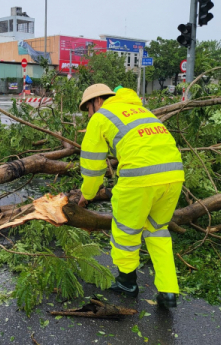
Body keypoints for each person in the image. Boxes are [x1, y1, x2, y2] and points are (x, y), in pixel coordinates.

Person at [77, 84, 184, 308]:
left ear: (97, 101)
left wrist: (87, 194)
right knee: (158, 231)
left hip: (139, 179)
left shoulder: (101, 116)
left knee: (126, 232)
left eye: (87, 107)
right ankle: (168, 291)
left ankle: (127, 283)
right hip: (174, 176)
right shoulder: (143, 111)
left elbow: (92, 164)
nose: (88, 113)